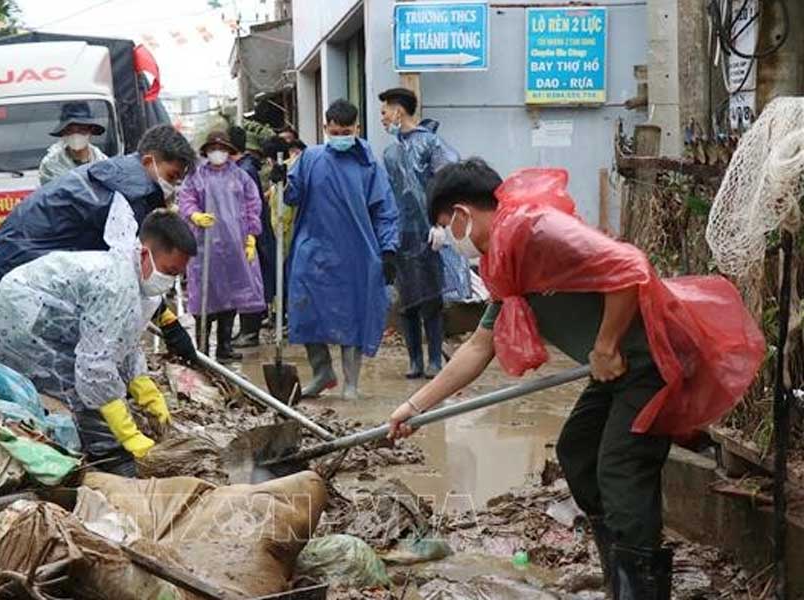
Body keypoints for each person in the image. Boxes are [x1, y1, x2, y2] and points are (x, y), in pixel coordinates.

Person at [387, 160, 765, 598]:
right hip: (620, 369)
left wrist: (605, 345)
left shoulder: (532, 227)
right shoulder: (505, 262)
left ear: (461, 213)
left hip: (652, 358)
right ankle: (620, 575)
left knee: (620, 467)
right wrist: (414, 408)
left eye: (443, 226)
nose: (447, 240)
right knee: (578, 452)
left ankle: (639, 586)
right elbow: (477, 347)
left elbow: (629, 266)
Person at [0, 205, 198, 476]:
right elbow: (94, 367)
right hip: (17, 326)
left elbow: (123, 341)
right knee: (80, 384)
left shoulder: (138, 281)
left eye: (177, 275)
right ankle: (109, 455)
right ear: (146, 253)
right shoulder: (116, 282)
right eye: (170, 271)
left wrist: (143, 387)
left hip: (34, 318)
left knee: (97, 381)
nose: (171, 282)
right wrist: (127, 435)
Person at [0, 124, 195, 300]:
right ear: (149, 162)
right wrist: (168, 325)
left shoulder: (120, 176)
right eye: (171, 176)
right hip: (20, 274)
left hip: (14, 265)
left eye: (179, 180)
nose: (174, 186)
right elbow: (127, 272)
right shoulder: (128, 195)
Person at [278, 99, 399, 400]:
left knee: (352, 313)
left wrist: (389, 249)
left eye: (347, 130)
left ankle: (351, 383)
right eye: (336, 131)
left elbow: (384, 209)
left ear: (357, 127)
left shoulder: (369, 164)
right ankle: (322, 372)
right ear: (325, 128)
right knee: (305, 309)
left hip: (355, 249)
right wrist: (281, 179)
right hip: (313, 248)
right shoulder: (310, 159)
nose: (342, 135)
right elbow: (293, 197)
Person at [378, 87, 460, 379]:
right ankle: (415, 360)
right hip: (401, 234)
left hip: (428, 234)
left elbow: (447, 181)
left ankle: (435, 359)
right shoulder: (390, 152)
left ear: (399, 111)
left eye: (385, 112)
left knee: (431, 300)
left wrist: (441, 223)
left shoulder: (431, 144)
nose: (383, 119)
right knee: (407, 300)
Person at [178, 130, 265, 363]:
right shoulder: (196, 176)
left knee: (231, 296)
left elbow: (252, 205)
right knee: (203, 297)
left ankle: (224, 347)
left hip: (234, 244)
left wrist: (252, 235)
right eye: (213, 149)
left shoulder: (240, 177)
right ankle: (202, 349)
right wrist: (194, 214)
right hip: (205, 245)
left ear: (228, 151)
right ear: (206, 151)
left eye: (222, 149)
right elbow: (186, 199)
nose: (218, 153)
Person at [228, 125, 277, 348]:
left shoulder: (243, 171)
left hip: (249, 236)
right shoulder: (241, 168)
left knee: (249, 283)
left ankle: (250, 332)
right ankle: (248, 329)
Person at [38, 102, 109, 185]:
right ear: (63, 133)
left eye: (81, 130)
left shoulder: (102, 161)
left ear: (90, 131)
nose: (75, 135)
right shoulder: (51, 164)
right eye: (70, 131)